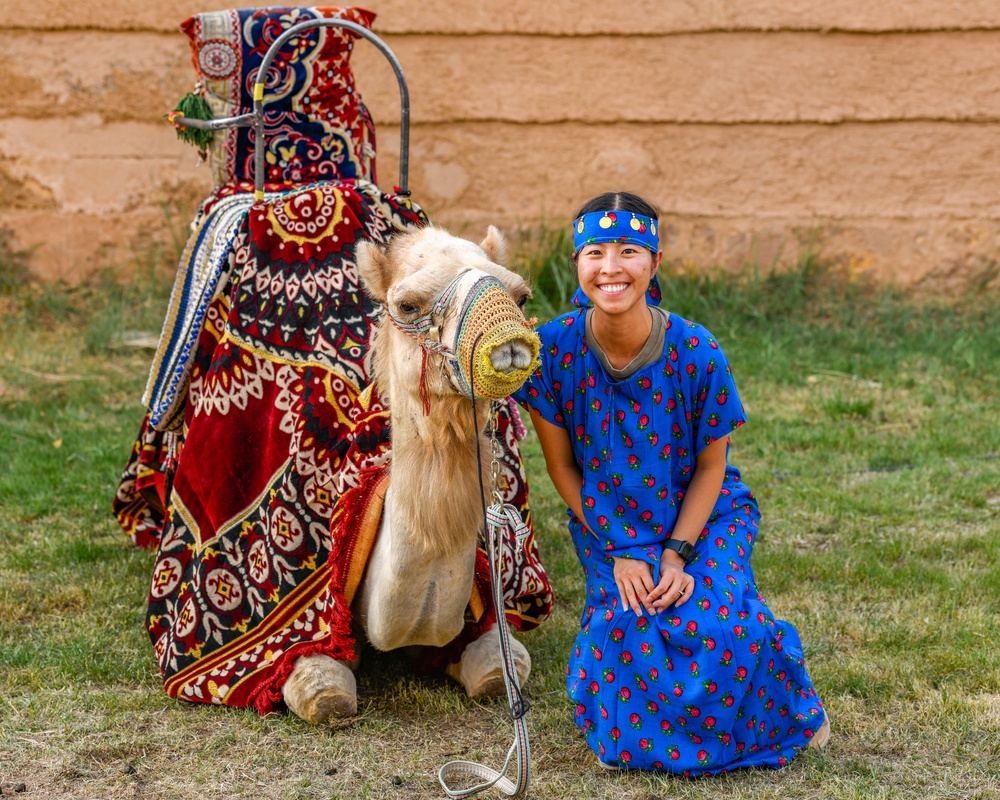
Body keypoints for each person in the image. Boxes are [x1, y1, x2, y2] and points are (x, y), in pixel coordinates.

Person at [512, 191, 828, 774]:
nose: (611, 267)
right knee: (632, 639)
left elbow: (712, 468)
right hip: (606, 522)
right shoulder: (552, 352)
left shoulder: (696, 349)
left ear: (654, 263)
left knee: (717, 630)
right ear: (577, 264)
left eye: (630, 250)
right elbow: (563, 469)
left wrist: (677, 555)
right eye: (595, 252)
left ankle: (783, 701)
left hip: (702, 519)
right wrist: (622, 550)